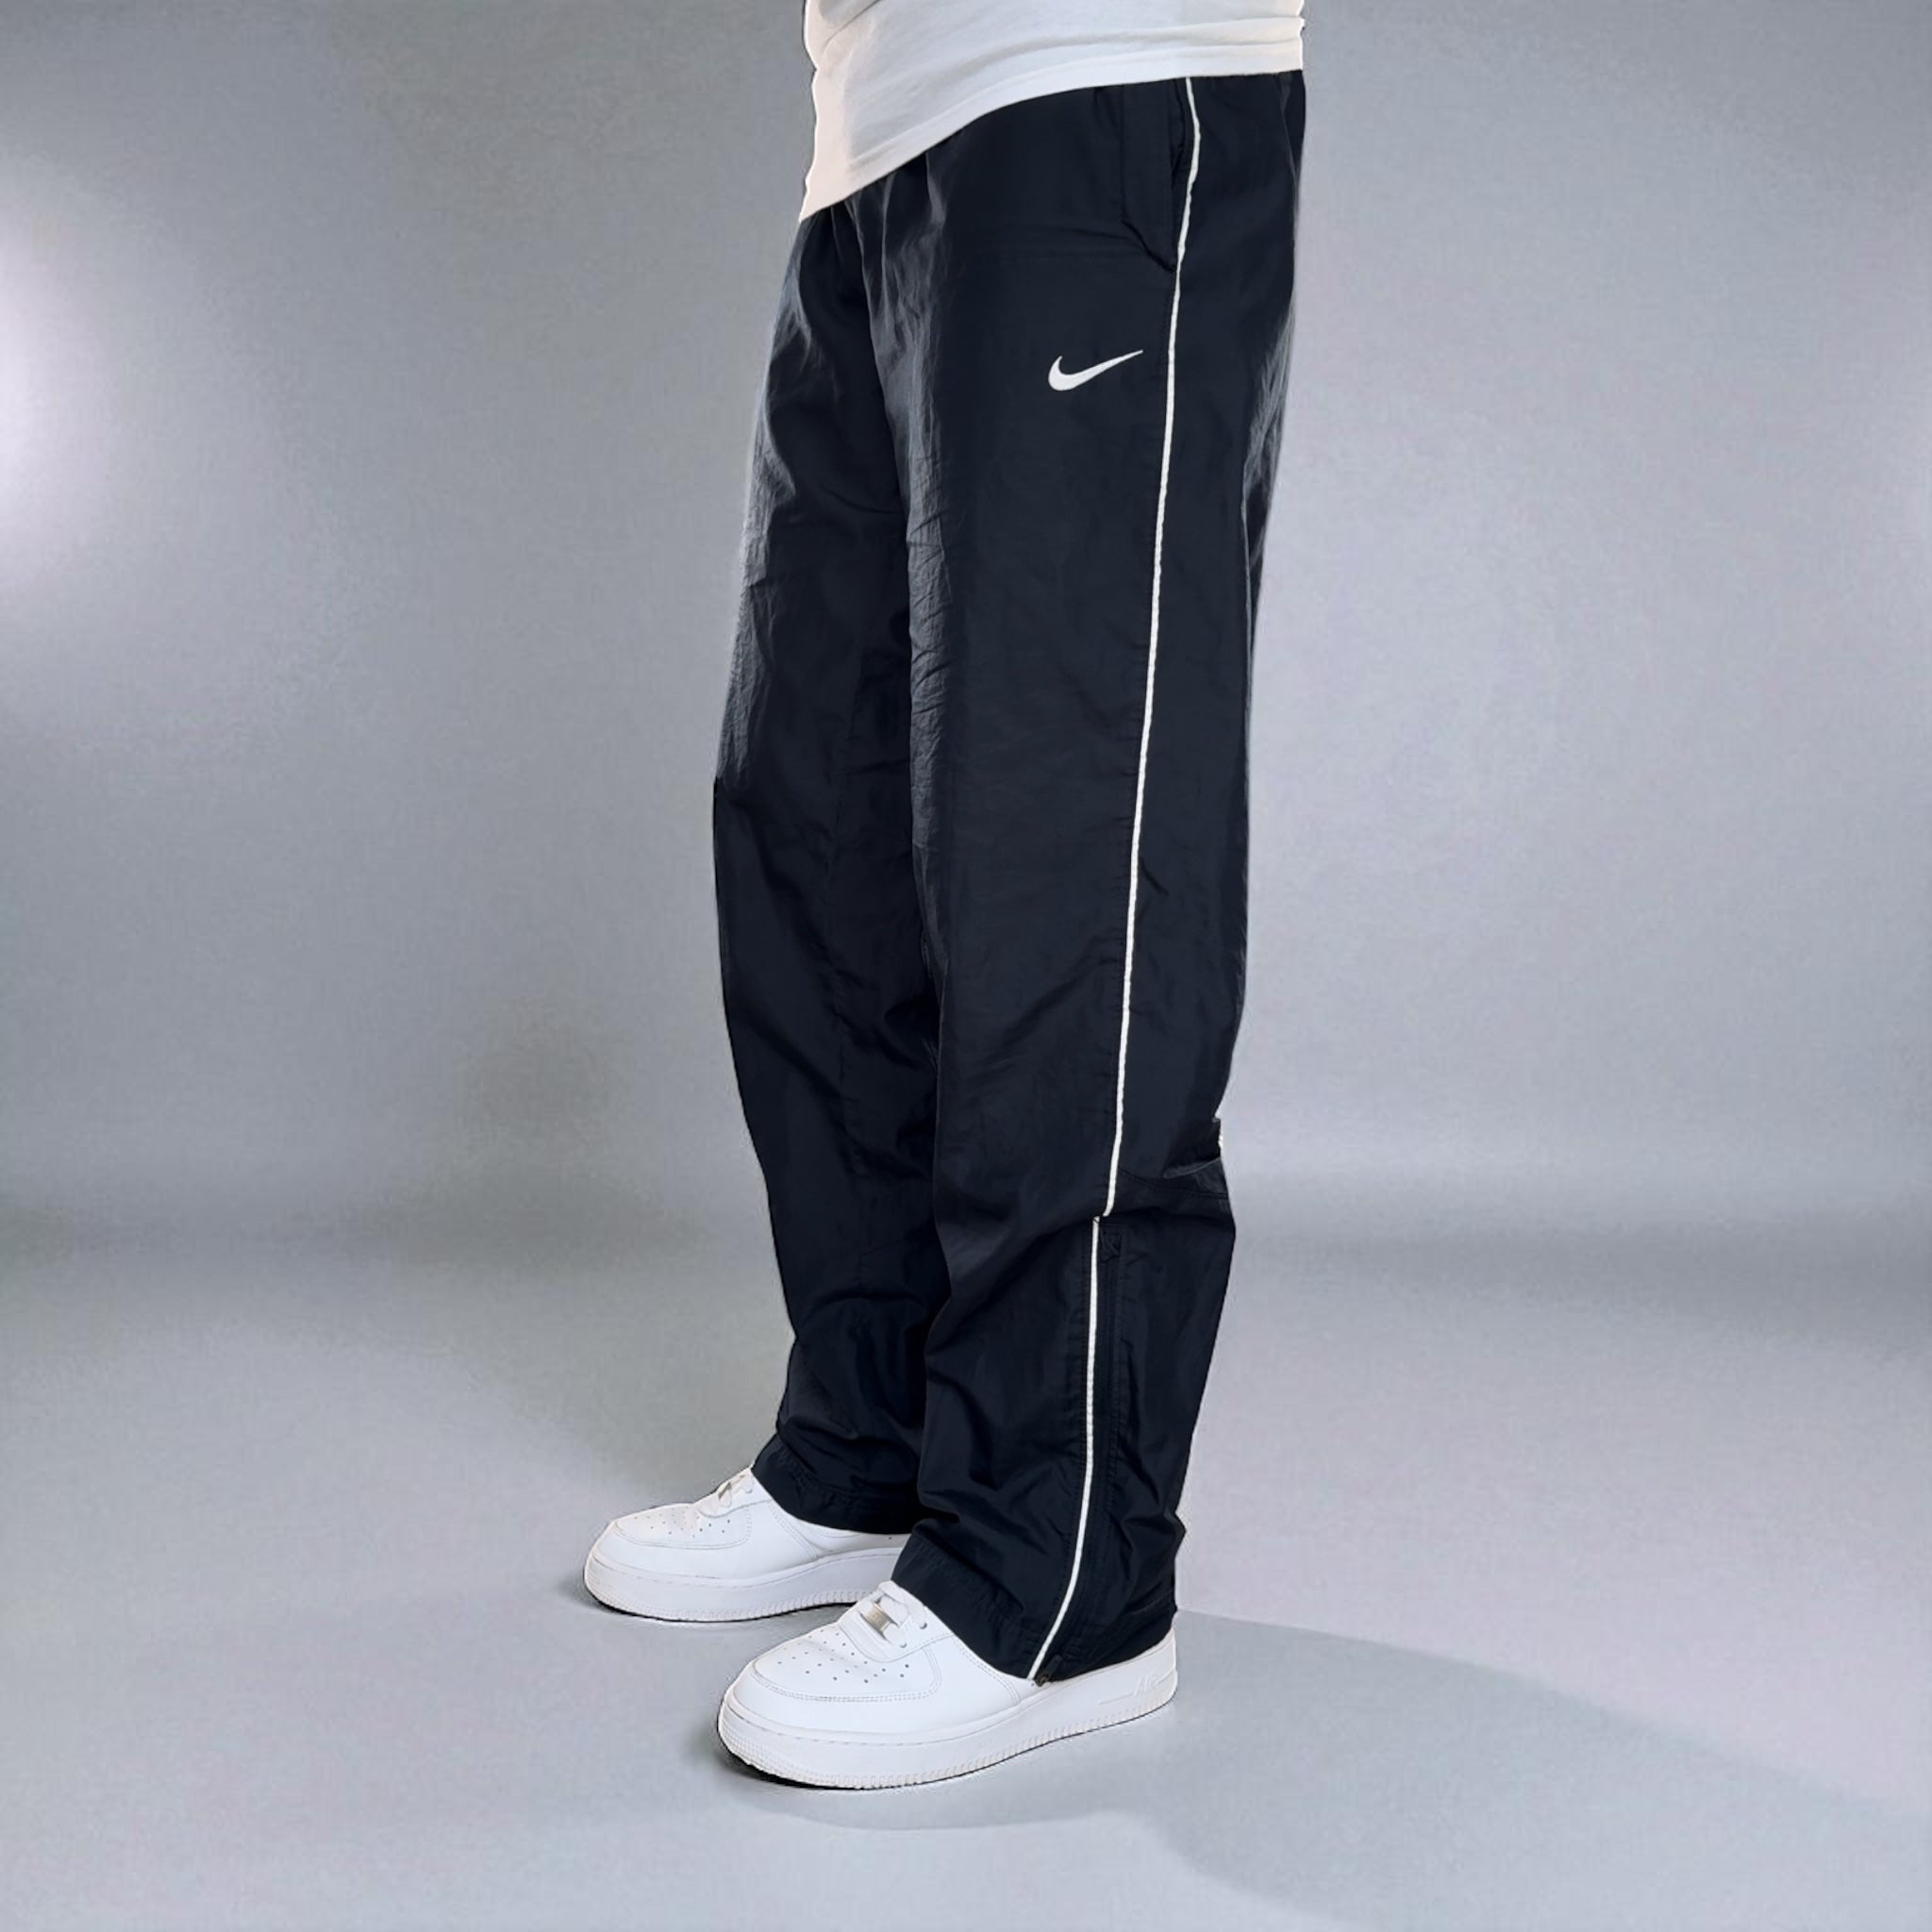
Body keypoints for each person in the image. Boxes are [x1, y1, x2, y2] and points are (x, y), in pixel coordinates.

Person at [587, 0, 1308, 1789]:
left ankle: (1058, 1572)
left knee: (1061, 831)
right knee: (817, 826)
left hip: (1097, 77)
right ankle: (875, 1445)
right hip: (871, 137)